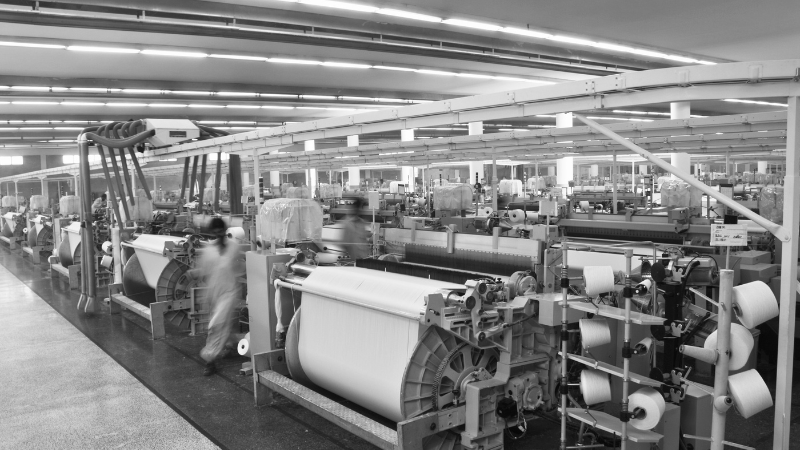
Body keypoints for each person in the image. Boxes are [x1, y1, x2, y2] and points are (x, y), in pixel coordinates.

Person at [192, 217, 245, 375]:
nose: (219, 234)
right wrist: (193, 274)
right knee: (223, 324)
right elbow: (204, 271)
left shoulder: (233, 247)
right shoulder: (209, 250)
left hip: (229, 292)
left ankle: (210, 359)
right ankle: (231, 345)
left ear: (225, 231)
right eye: (215, 232)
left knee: (216, 325)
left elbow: (240, 264)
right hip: (214, 293)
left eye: (221, 231)